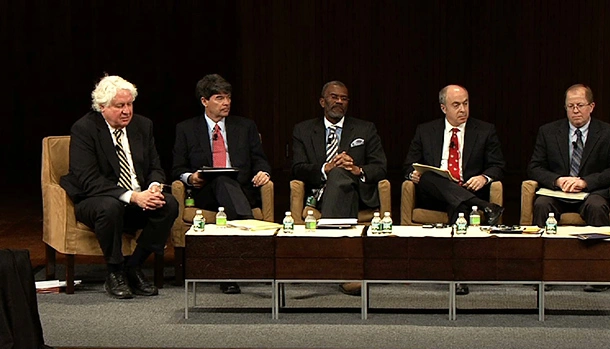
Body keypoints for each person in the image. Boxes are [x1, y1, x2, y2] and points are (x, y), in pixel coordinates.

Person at [60, 75, 178, 299]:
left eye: (129, 104)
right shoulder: (84, 129)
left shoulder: (143, 125)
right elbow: (89, 180)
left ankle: (133, 267)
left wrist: (153, 187)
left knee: (168, 204)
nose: (126, 111)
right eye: (119, 106)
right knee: (110, 207)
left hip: (137, 198)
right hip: (95, 200)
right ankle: (114, 271)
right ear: (102, 107)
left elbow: (155, 166)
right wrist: (133, 197)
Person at [172, 74, 271, 294]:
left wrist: (263, 172)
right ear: (204, 101)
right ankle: (250, 232)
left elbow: (260, 159)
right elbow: (177, 168)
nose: (226, 103)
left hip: (242, 191)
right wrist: (191, 177)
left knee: (226, 181)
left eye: (228, 98)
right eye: (219, 98)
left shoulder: (245, 126)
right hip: (205, 192)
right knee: (220, 180)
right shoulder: (186, 129)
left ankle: (228, 271)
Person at [404, 84, 505, 227]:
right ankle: (485, 206)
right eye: (456, 105)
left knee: (459, 207)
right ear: (443, 108)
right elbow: (408, 165)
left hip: (467, 189)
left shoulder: (485, 131)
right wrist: (412, 174)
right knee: (427, 177)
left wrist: (483, 178)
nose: (463, 110)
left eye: (465, 103)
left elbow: (498, 165)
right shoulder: (425, 131)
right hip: (434, 194)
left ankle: (455, 248)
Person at [527, 84, 610, 228]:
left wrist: (586, 182)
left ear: (591, 107)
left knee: (596, 206)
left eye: (580, 105)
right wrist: (557, 181)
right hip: (557, 194)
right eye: (570, 106)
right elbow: (534, 167)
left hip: (591, 193)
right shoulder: (548, 132)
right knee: (542, 204)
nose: (575, 111)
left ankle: (599, 251)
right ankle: (541, 250)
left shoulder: (609, 134)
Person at [291, 80, 387, 219]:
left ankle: (330, 232)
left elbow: (380, 167)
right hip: (319, 195)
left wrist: (356, 169)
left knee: (339, 174)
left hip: (357, 193)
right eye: (334, 97)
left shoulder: (365, 129)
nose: (339, 101)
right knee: (335, 172)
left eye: (344, 98)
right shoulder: (303, 130)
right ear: (322, 102)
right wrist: (326, 168)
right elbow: (297, 168)